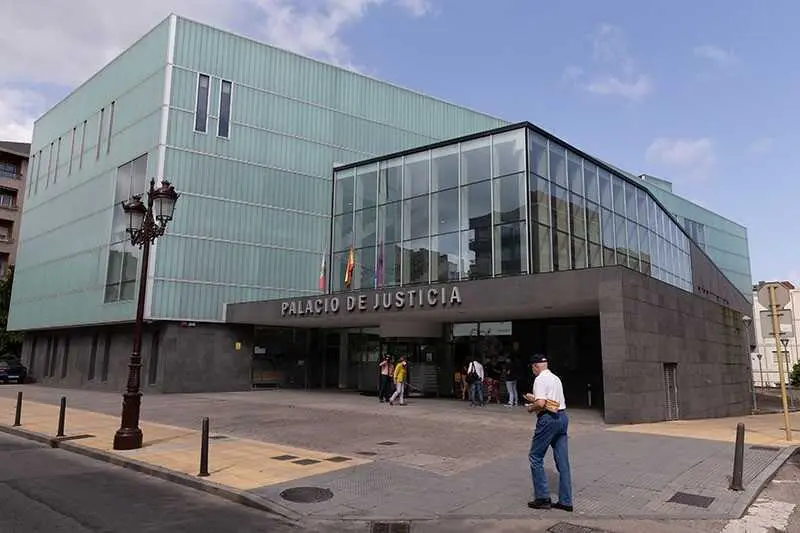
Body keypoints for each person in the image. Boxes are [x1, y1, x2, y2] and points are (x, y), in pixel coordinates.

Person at [525, 354, 572, 512]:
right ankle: (566, 501)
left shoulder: (539, 379)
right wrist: (536, 399)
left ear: (536, 366)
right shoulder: (555, 378)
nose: (532, 370)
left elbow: (541, 403)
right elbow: (552, 402)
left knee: (535, 456)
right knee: (563, 462)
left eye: (532, 367)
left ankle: (543, 498)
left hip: (548, 420)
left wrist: (531, 407)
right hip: (562, 417)